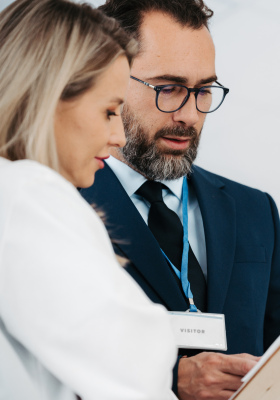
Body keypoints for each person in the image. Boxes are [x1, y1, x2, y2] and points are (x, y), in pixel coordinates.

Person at [80, 1, 280, 400]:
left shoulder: (255, 211)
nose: (190, 115)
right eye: (169, 88)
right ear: (108, 78)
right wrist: (168, 380)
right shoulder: (58, 200)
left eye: (203, 90)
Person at [0, 0, 178, 398]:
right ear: (48, 96)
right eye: (110, 112)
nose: (119, 138)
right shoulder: (26, 191)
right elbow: (132, 366)